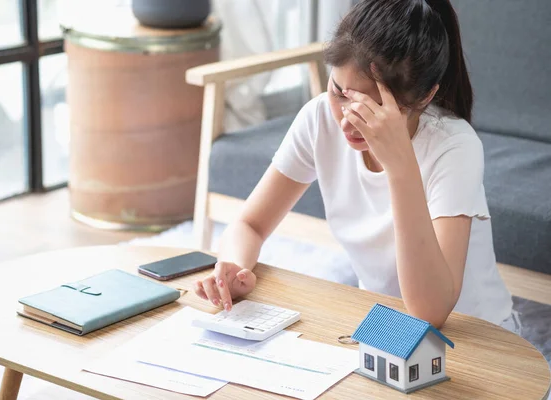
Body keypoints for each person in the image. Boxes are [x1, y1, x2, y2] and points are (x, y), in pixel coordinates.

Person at [194, 0, 519, 331]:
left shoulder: (453, 147)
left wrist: (401, 164)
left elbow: (430, 312)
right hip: (384, 322)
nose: (347, 122)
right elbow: (250, 224)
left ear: (423, 98)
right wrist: (233, 266)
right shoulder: (320, 117)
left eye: (371, 109)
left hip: (473, 334)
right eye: (339, 92)